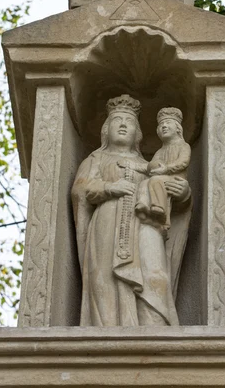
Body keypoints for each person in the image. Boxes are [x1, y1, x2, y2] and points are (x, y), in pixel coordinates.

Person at [71, 94, 191, 326]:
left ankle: (154, 329)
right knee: (105, 278)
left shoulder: (152, 164)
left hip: (146, 223)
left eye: (129, 121)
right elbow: (80, 191)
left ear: (138, 132)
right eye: (117, 120)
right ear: (106, 130)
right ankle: (109, 328)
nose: (124, 124)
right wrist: (109, 187)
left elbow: (172, 196)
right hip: (107, 222)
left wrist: (183, 192)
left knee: (155, 276)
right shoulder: (96, 158)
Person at [135, 108, 191, 231]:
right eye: (161, 124)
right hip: (161, 177)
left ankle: (159, 207)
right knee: (145, 182)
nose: (164, 126)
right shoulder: (160, 151)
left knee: (155, 180)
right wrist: (135, 166)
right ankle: (143, 205)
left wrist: (166, 169)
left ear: (178, 128)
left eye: (168, 123)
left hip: (175, 178)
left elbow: (183, 162)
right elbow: (150, 166)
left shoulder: (183, 146)